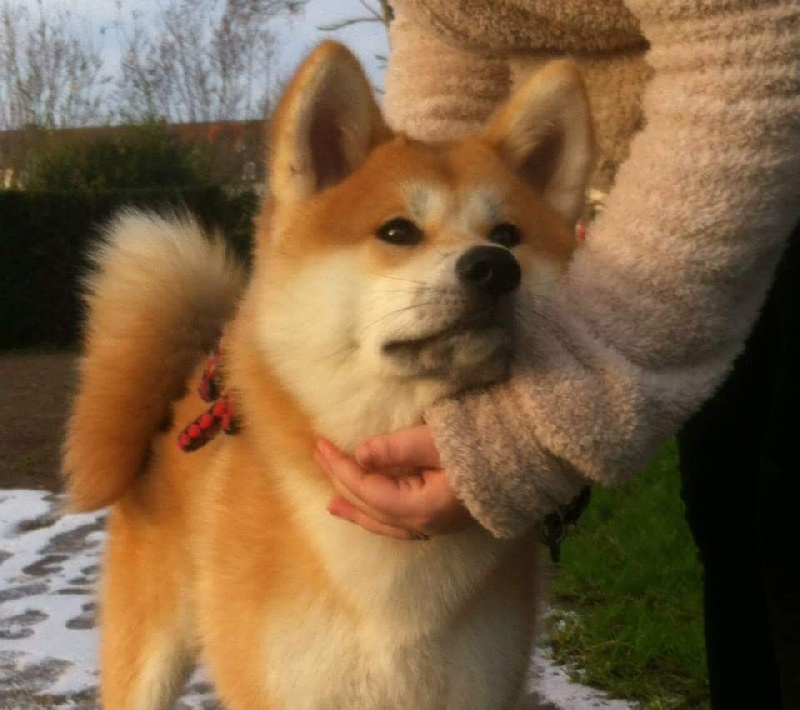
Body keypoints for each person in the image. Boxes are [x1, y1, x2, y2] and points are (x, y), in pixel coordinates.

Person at [313, 1, 800, 707]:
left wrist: (545, 417)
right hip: (721, 194)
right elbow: (456, 25)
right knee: (733, 508)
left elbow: (755, 35)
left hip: (744, 148)